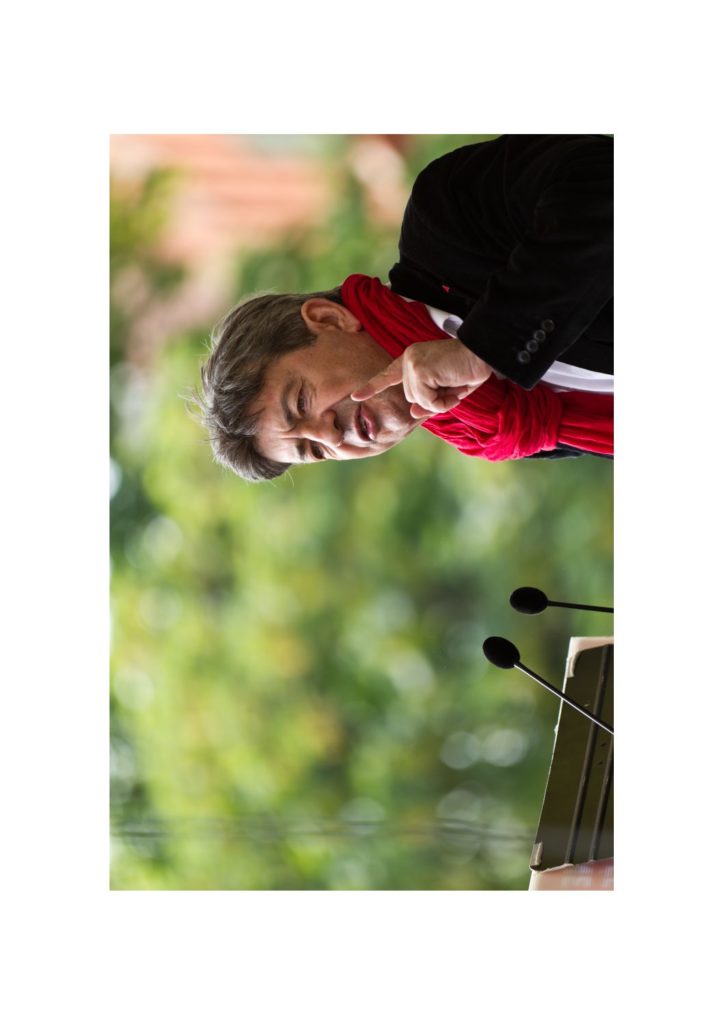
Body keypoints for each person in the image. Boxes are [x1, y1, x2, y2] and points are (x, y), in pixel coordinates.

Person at [197, 135, 613, 482]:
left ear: (329, 318)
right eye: (314, 450)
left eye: (302, 403)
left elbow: (604, 182)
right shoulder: (499, 427)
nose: (332, 437)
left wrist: (485, 347)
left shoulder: (445, 214)